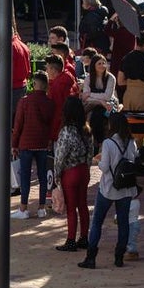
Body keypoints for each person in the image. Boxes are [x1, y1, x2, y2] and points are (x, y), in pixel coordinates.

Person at [79, 111, 138, 269]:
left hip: (108, 187)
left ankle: (91, 257)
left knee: (97, 221)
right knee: (123, 222)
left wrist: (96, 161)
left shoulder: (108, 143)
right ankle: (119, 257)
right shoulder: (131, 142)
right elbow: (134, 159)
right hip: (126, 188)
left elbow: (104, 167)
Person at [11, 73, 54, 220]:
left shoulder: (25, 102)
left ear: (34, 84)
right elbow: (51, 124)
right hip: (42, 143)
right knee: (42, 176)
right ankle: (41, 208)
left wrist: (14, 144)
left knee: (25, 177)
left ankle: (23, 208)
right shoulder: (50, 102)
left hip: (26, 142)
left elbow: (18, 125)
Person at [53, 97, 94, 252]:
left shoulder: (66, 131)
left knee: (71, 207)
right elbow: (91, 152)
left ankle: (70, 239)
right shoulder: (87, 130)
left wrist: (57, 176)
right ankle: (84, 237)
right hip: (84, 169)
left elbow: (60, 156)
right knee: (82, 205)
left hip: (70, 171)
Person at [118, 30, 144, 112]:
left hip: (129, 95)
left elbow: (120, 81)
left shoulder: (125, 58)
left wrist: (133, 85)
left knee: (130, 123)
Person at [81, 54, 116, 145]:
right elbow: (85, 98)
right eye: (99, 63)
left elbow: (108, 96)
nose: (102, 66)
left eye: (103, 63)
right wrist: (100, 101)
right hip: (92, 105)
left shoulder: (111, 78)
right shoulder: (88, 78)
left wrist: (90, 94)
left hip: (107, 105)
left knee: (101, 116)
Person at [45, 55, 77, 144]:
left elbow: (56, 112)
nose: (46, 71)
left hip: (60, 131)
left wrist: (51, 136)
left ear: (53, 70)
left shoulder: (57, 87)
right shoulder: (68, 79)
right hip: (70, 127)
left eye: (47, 69)